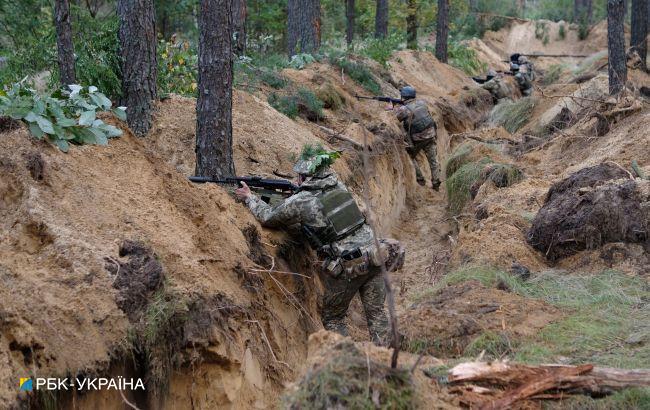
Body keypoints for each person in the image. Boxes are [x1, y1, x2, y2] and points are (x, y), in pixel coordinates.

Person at [234, 144, 405, 345]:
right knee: (376, 314)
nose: (295, 179)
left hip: (349, 265)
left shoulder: (302, 200)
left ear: (305, 177)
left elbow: (267, 217)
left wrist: (249, 198)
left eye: (298, 175)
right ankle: (391, 362)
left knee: (333, 317)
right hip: (376, 254)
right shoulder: (338, 185)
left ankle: (348, 364)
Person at [390, 86, 441, 190]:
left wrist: (392, 108)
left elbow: (394, 118)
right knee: (433, 161)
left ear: (404, 96)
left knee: (410, 156)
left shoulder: (404, 109)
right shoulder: (422, 103)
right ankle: (436, 184)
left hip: (418, 139)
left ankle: (420, 179)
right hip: (431, 135)